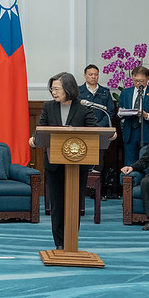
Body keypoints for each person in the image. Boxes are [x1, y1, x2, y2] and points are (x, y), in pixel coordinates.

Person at [29, 72, 98, 250]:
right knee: (57, 205)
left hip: (78, 164)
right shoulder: (49, 107)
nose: (53, 92)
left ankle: (71, 242)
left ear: (68, 88)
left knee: (75, 204)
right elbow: (41, 129)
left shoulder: (83, 108)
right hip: (54, 164)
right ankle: (59, 243)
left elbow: (94, 132)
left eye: (57, 89)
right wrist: (34, 139)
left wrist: (109, 135)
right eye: (52, 89)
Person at [117, 66, 149, 166]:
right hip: (130, 133)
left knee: (147, 164)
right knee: (130, 165)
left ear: (148, 79)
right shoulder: (125, 93)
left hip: (147, 133)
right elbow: (119, 110)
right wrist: (121, 113)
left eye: (141, 81)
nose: (138, 83)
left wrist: (146, 115)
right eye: (135, 81)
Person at [79, 64, 114, 128]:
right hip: (84, 128)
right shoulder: (78, 91)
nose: (93, 77)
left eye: (96, 74)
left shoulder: (105, 92)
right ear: (85, 75)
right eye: (90, 74)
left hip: (102, 127)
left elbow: (110, 111)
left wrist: (100, 125)